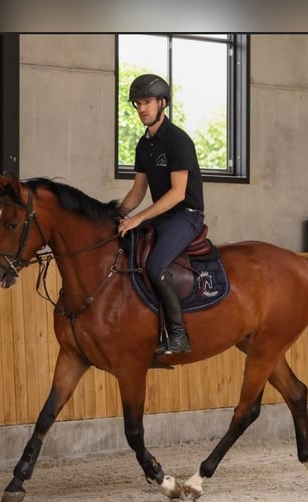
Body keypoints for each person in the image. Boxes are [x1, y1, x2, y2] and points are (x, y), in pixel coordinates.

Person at [117, 74, 205, 355]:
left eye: (147, 102)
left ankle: (178, 335)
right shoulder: (144, 145)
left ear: (162, 103)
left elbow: (178, 193)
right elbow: (138, 190)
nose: (142, 108)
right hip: (162, 216)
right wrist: (116, 215)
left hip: (185, 216)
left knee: (155, 265)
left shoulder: (179, 141)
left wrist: (139, 218)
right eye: (138, 103)